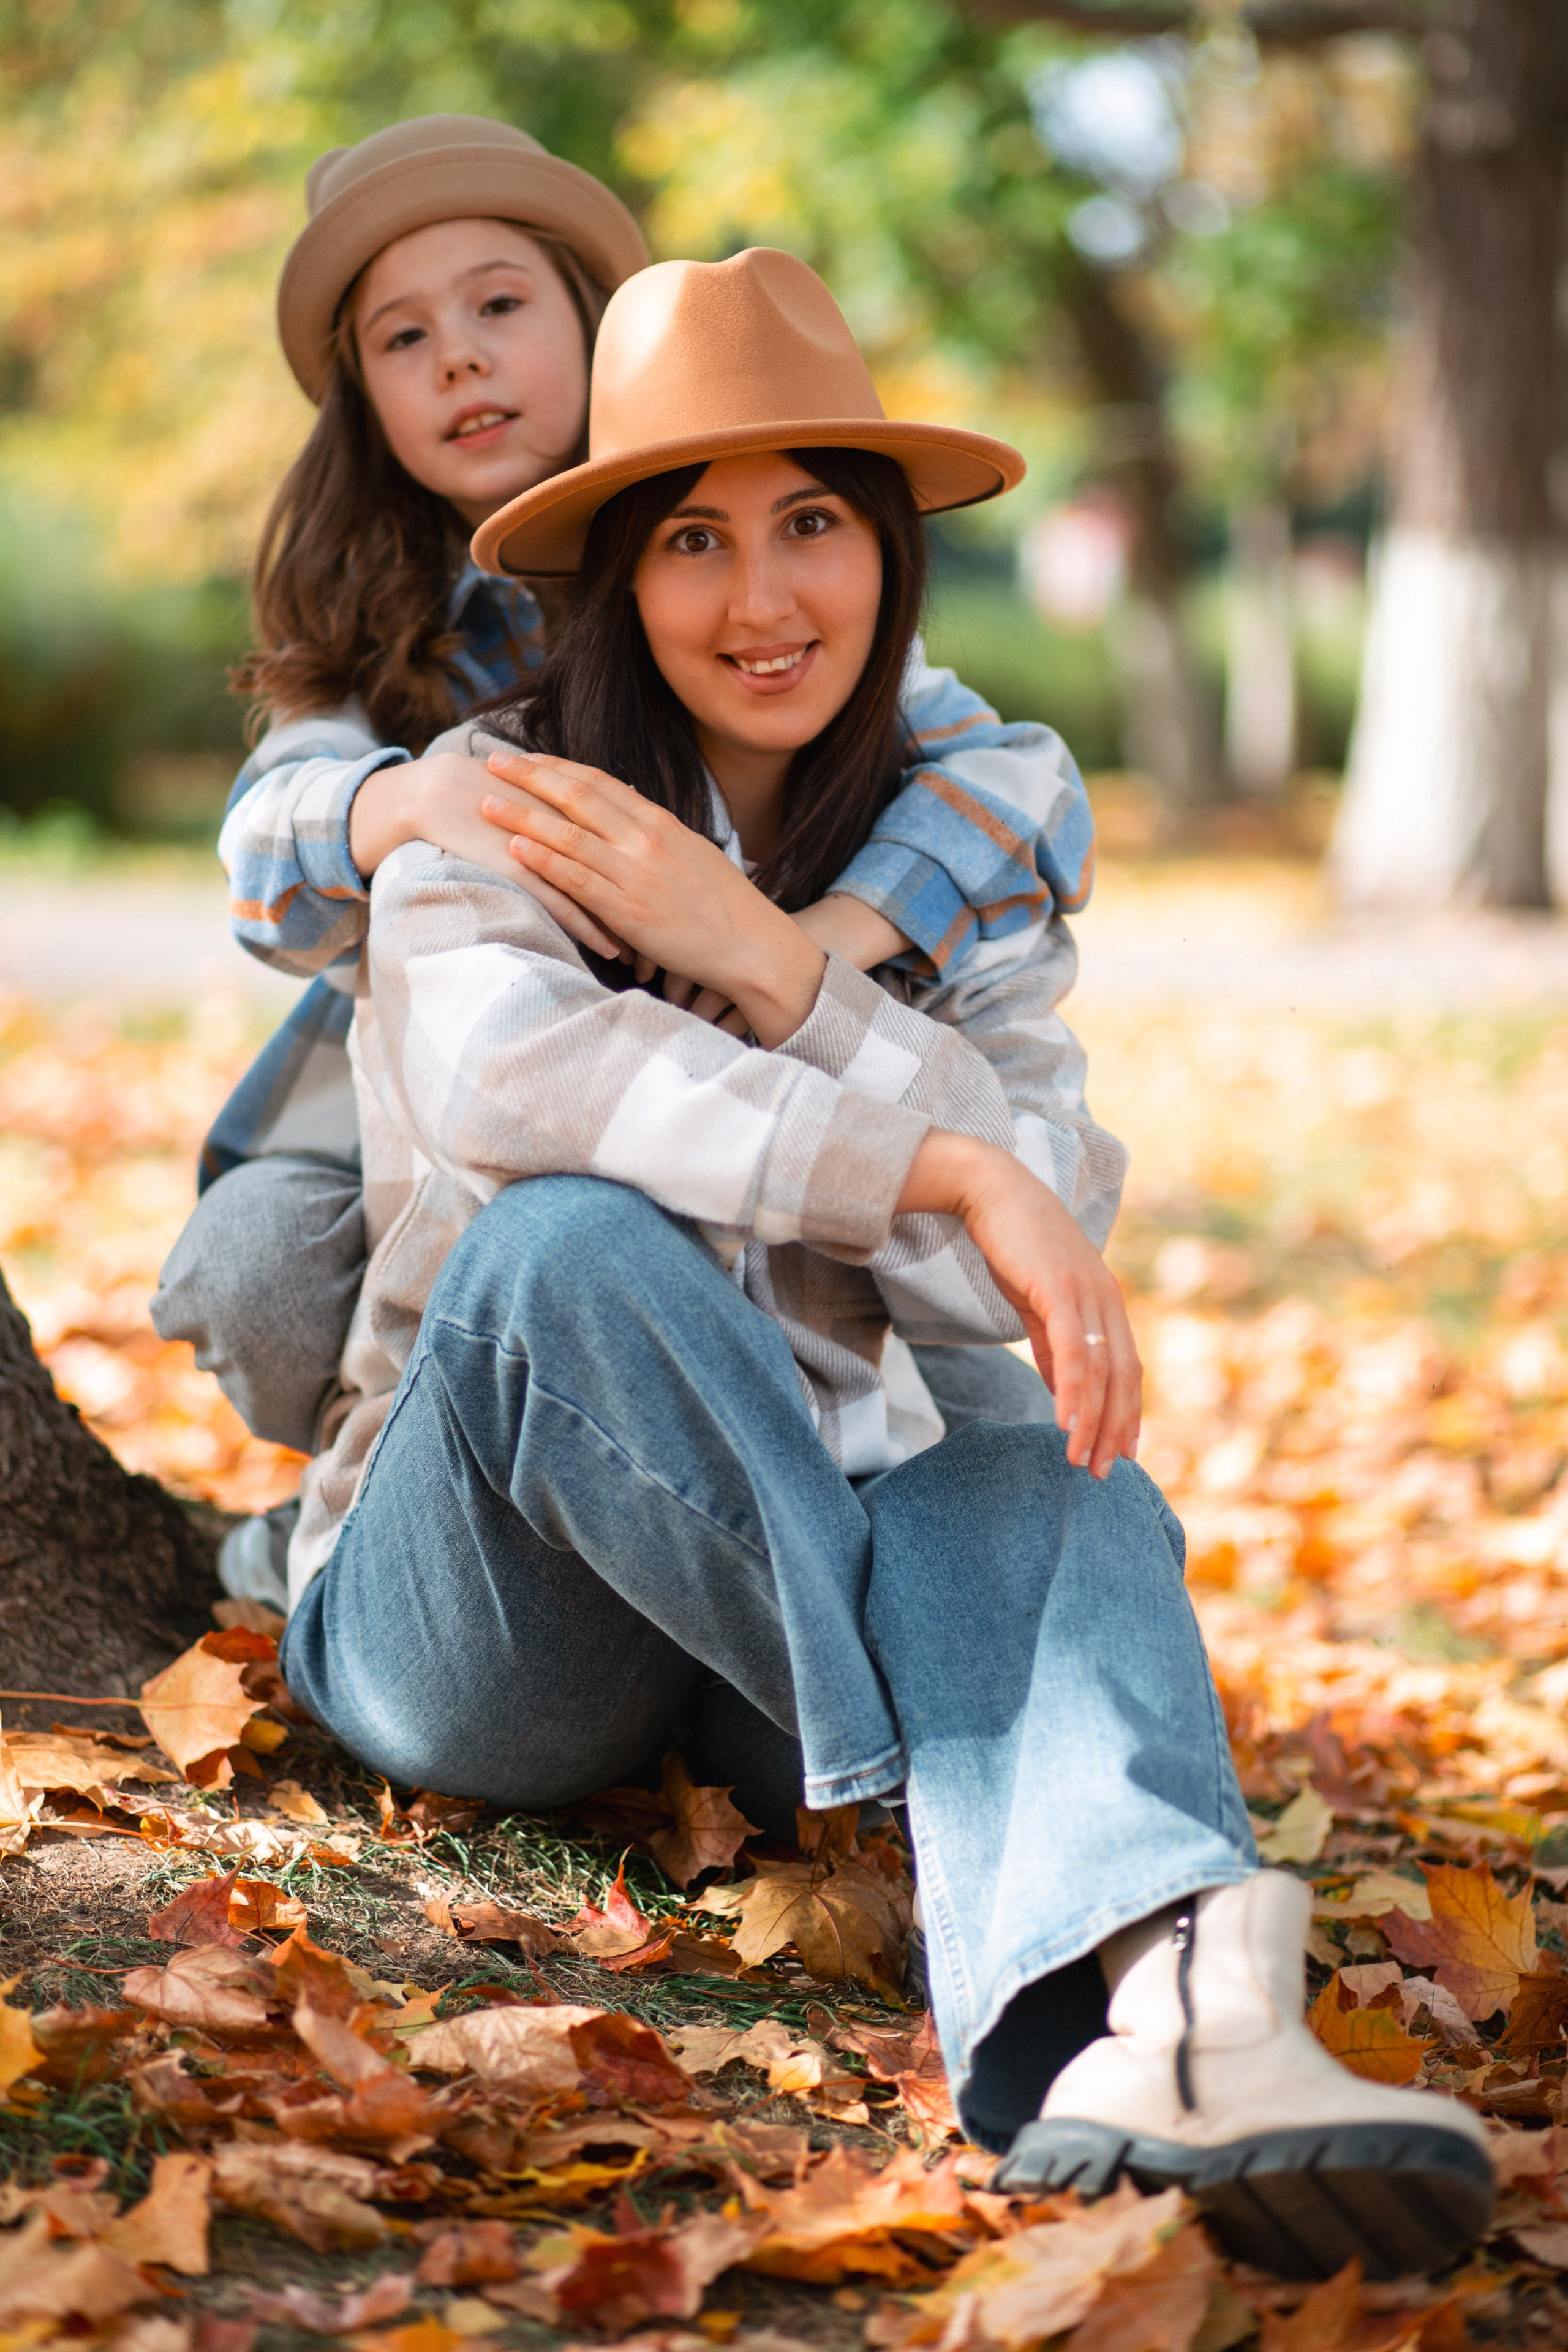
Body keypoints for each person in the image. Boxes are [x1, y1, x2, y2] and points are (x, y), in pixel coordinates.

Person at [275, 246, 1493, 2283]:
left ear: (891, 551)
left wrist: (775, 965)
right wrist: (935, 1155)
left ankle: (1188, 2013)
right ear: (619, 581)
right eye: (693, 539)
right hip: (479, 1633)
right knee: (567, 1249)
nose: (763, 598)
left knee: (1023, 1454)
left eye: (814, 524)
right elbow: (521, 1089)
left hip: (762, 1668)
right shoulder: (502, 806)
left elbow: (1018, 1259)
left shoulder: (960, 858)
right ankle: (988, 1775)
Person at [151, 116, 1098, 1588]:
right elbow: (264, 862)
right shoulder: (379, 644)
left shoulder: (739, 553)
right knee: (258, 1268)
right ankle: (372, 1504)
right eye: (405, 338)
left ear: (597, 330)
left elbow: (1013, 783)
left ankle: (854, 1542)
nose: (461, 359)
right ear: (364, 405)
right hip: (430, 1104)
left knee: (988, 1421)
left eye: (500, 304)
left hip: (743, 1067)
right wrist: (408, 805)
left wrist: (808, 942)